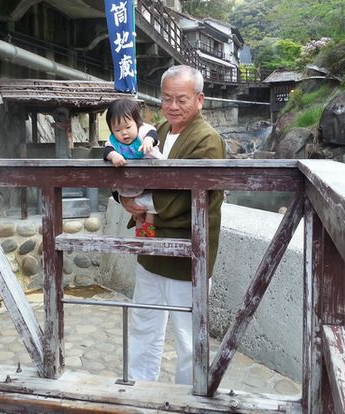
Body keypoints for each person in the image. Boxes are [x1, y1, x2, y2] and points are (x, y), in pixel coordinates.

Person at [118, 65, 225, 384]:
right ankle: (139, 386)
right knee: (144, 322)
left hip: (187, 252)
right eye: (167, 98)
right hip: (150, 243)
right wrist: (123, 199)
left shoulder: (207, 140)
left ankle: (187, 398)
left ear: (200, 99)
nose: (173, 106)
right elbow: (130, 170)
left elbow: (191, 199)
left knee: (189, 334)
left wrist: (141, 205)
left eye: (182, 99)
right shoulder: (157, 132)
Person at [103, 98, 164, 237]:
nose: (124, 133)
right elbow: (106, 151)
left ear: (137, 123)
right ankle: (141, 237)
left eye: (128, 127)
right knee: (139, 212)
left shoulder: (143, 132)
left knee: (150, 209)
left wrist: (149, 141)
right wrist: (114, 156)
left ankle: (148, 235)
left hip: (152, 182)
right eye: (117, 129)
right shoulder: (113, 141)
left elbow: (152, 134)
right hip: (131, 186)